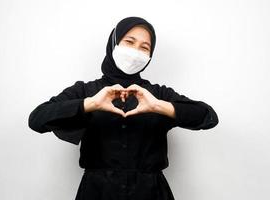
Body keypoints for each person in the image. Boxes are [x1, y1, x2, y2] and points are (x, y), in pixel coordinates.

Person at [28, 16, 219, 200]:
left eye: (145, 47)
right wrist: (90, 104)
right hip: (97, 192)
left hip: (151, 192)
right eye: (129, 42)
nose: (136, 51)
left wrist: (158, 106)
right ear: (114, 43)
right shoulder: (86, 90)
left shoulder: (157, 94)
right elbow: (37, 119)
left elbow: (208, 116)